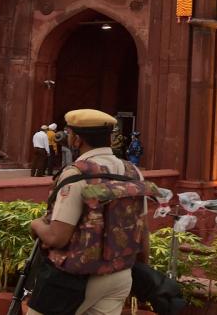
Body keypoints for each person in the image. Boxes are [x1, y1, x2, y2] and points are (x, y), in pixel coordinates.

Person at [28, 109, 150, 315]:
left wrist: (35, 224)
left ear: (76, 140)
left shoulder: (76, 173)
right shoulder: (133, 172)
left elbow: (57, 237)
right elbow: (142, 229)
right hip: (119, 275)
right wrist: (142, 269)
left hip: (75, 278)